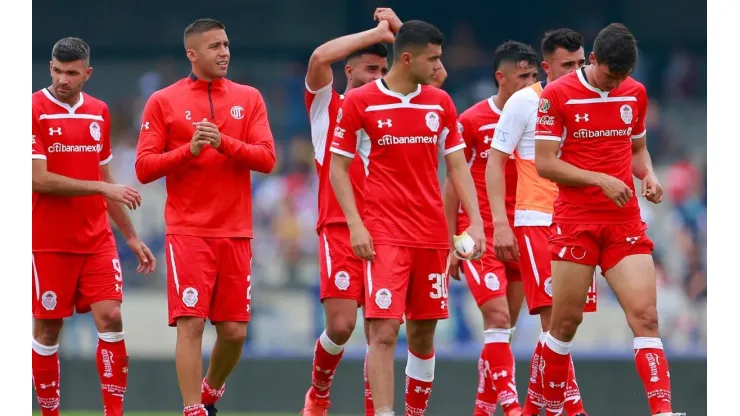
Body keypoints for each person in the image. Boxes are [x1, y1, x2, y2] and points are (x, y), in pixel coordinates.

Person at [330, 20, 485, 416]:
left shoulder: (440, 103)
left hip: (432, 235)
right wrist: (356, 224)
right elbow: (338, 168)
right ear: (408, 58)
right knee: (383, 331)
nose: (438, 66)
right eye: (432, 58)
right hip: (383, 233)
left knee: (422, 334)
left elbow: (458, 167)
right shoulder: (361, 102)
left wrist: (476, 222)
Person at [534, 23, 683, 416]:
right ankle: (549, 407)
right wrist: (599, 179)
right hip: (575, 221)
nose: (616, 82)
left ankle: (663, 412)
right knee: (564, 324)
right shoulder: (556, 94)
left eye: (623, 76)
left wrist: (647, 175)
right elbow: (545, 164)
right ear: (593, 59)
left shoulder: (634, 93)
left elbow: (637, 150)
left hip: (623, 222)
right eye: (610, 74)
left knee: (647, 318)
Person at [134, 18, 276, 416]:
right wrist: (188, 150)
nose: (224, 52)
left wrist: (224, 142)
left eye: (227, 44)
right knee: (191, 323)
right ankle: (193, 409)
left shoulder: (249, 98)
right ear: (192, 54)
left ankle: (211, 389)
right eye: (214, 46)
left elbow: (267, 158)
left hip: (236, 231)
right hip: (188, 231)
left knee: (234, 332)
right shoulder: (163, 101)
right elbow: (144, 167)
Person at [32, 37, 156, 416]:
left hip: (97, 239)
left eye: (71, 72)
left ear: (87, 73)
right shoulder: (30, 109)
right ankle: (50, 411)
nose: (63, 79)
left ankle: (113, 413)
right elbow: (38, 179)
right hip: (48, 241)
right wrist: (102, 186)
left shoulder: (99, 112)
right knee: (49, 329)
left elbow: (105, 176)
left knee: (112, 317)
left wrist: (131, 236)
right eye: (57, 70)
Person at [487, 29, 592, 416]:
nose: (575, 71)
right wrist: (501, 223)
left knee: (567, 324)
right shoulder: (523, 103)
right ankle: (573, 408)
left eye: (581, 63)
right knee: (555, 323)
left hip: (578, 222)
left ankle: (534, 407)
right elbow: (495, 162)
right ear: (546, 68)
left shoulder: (589, 103)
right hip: (537, 221)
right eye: (567, 65)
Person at [300, 13, 393, 416]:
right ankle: (319, 392)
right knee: (341, 326)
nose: (377, 77)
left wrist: (401, 32)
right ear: (350, 68)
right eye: (370, 69)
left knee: (381, 333)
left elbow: (428, 68)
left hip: (388, 231)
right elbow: (320, 58)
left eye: (384, 70)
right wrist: (377, 34)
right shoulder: (328, 106)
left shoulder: (391, 113)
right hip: (338, 227)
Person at [442, 40, 539, 416]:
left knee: (502, 331)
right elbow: (452, 183)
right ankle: (513, 408)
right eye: (523, 76)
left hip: (519, 234)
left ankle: (483, 409)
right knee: (497, 318)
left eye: (535, 76)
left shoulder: (539, 117)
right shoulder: (471, 121)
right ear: (501, 77)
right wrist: (452, 241)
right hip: (476, 234)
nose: (531, 83)